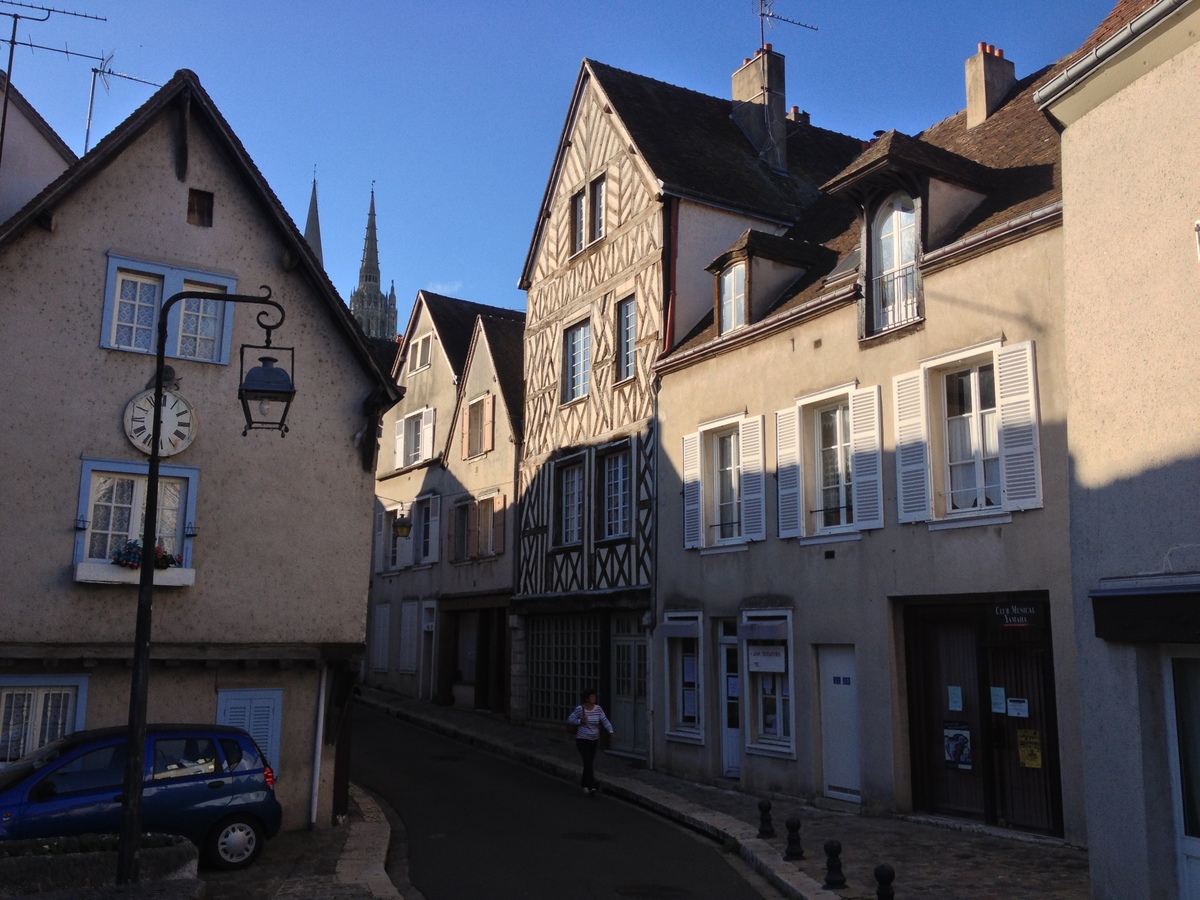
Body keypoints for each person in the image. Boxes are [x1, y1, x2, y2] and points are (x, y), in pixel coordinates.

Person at [567, 689, 614, 795]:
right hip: (582, 739)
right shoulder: (580, 709)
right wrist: (580, 721)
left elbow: (604, 720)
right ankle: (592, 786)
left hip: (594, 740)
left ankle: (584, 785)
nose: (594, 698)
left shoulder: (598, 709)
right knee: (588, 762)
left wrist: (611, 731)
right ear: (586, 699)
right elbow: (570, 719)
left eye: (594, 696)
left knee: (589, 763)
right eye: (592, 697)